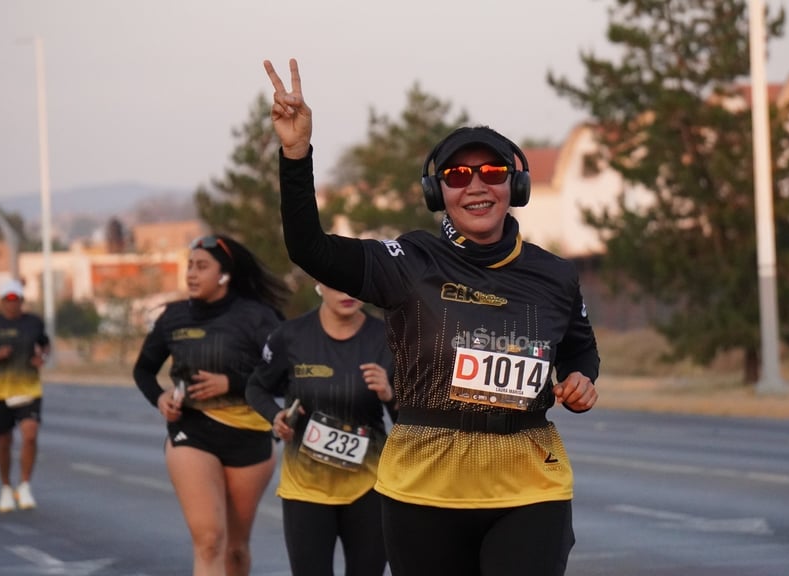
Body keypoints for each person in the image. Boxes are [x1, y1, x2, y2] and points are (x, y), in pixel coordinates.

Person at [263, 58, 600, 576]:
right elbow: (310, 248)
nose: (476, 186)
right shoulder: (409, 262)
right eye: (458, 175)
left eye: (492, 173)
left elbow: (579, 350)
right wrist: (295, 153)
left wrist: (580, 378)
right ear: (436, 192)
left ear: (515, 186)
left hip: (530, 483)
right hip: (423, 484)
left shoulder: (554, 274)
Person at [132, 234, 289, 576]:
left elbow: (286, 377)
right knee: (208, 541)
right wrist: (159, 397)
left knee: (235, 549)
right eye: (189, 266)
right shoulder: (173, 317)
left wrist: (232, 383)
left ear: (224, 274)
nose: (191, 274)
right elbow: (143, 370)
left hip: (249, 435)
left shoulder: (257, 317)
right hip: (192, 431)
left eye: (202, 266)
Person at [246, 281, 397, 576]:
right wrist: (276, 416)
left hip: (369, 485)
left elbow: (409, 418)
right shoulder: (290, 336)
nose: (347, 293)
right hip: (305, 487)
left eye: (354, 283)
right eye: (336, 284)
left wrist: (389, 394)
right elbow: (256, 387)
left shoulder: (387, 337)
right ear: (318, 284)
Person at [0, 278, 51, 513]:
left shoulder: (33, 323)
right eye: (8, 299)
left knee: (30, 434)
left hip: (28, 389)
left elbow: (45, 344)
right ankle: (6, 487)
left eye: (16, 299)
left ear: (22, 301)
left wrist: (42, 357)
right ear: (1, 302)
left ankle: (24, 485)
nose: (12, 303)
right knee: (3, 441)